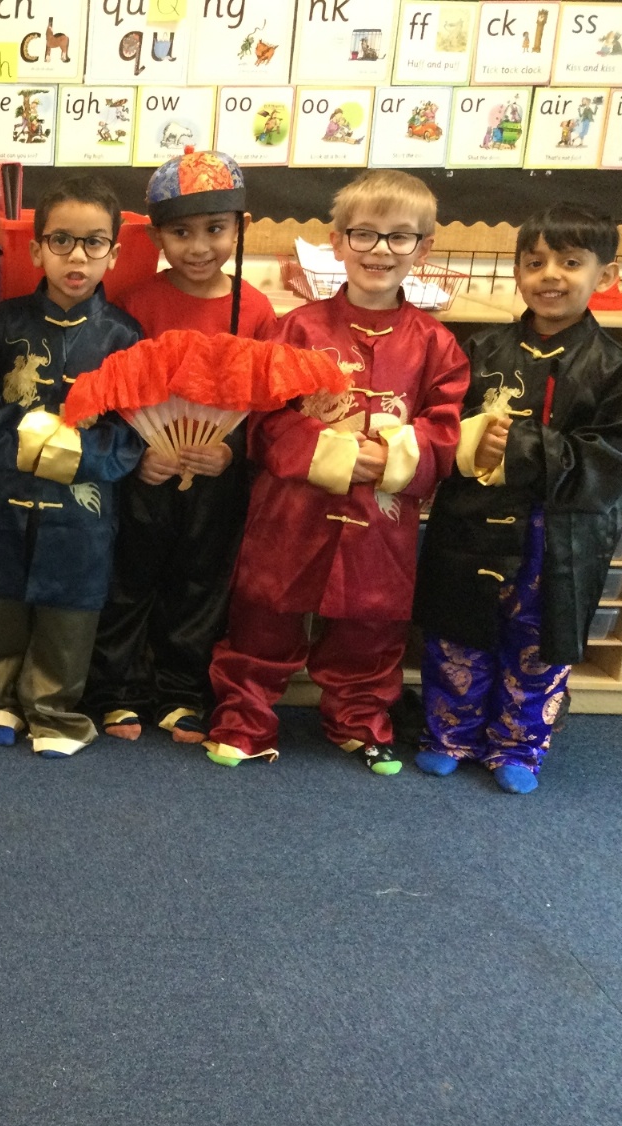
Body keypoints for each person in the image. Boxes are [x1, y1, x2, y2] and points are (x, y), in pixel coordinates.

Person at [203, 169, 469, 775]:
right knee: (264, 613)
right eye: (364, 234)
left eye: (400, 237)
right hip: (292, 509)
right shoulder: (295, 329)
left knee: (370, 624)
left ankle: (360, 719)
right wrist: (339, 455)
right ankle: (244, 716)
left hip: (381, 515)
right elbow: (265, 420)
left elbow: (445, 427)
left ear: (424, 247)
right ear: (337, 242)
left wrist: (396, 456)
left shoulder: (437, 344)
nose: (380, 250)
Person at [414, 204, 622, 793]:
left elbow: (618, 455)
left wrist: (522, 446)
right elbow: (443, 423)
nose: (550, 275)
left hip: (555, 535)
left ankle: (518, 745)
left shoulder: (614, 368)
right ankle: (450, 733)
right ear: (517, 271)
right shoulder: (482, 350)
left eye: (570, 262)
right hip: (472, 526)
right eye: (535, 261)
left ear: (606, 275)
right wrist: (469, 437)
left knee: (537, 644)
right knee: (459, 632)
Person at [83, 147, 278, 745]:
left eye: (215, 229)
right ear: (156, 237)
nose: (199, 247)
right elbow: (118, 392)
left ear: (240, 228)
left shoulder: (257, 310)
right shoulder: (136, 304)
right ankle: (118, 690)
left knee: (201, 582)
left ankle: (182, 691)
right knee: (130, 577)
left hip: (217, 475)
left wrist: (231, 452)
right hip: (147, 472)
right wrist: (138, 455)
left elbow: (265, 402)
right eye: (181, 233)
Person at [0, 174, 142, 757]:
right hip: (1, 492)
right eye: (61, 240)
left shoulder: (126, 337)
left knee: (71, 604)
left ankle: (54, 707)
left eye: (93, 242)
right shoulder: (1, 324)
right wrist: (32, 438)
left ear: (114, 253)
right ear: (36, 249)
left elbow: (134, 431)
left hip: (81, 504)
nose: (76, 257)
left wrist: (78, 452)